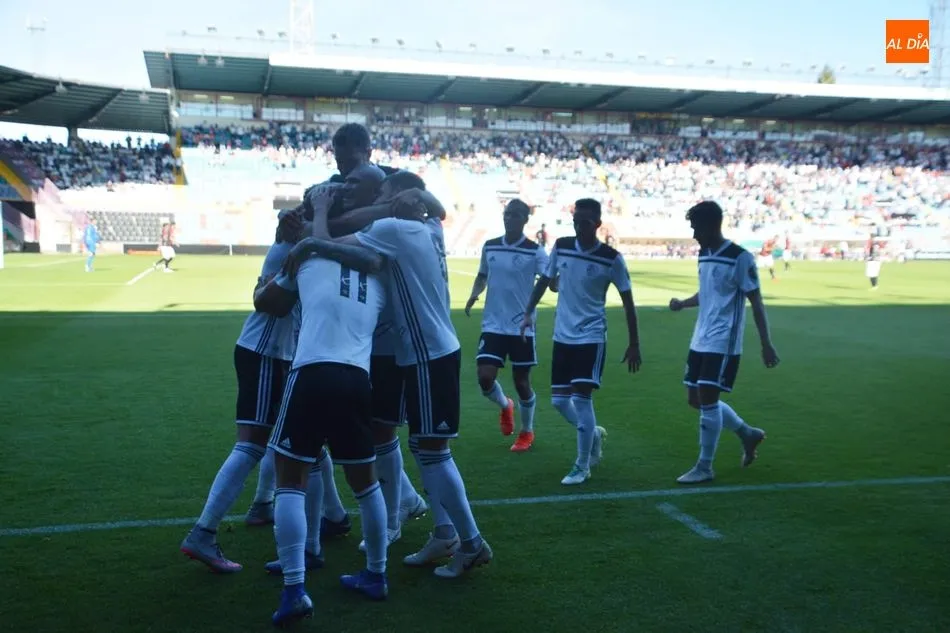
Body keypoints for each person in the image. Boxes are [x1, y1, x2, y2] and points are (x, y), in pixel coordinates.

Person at [303, 173, 492, 578]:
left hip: (427, 353)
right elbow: (437, 209)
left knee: (435, 453)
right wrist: (422, 195)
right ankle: (445, 534)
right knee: (426, 451)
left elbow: (328, 246)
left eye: (387, 192)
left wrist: (317, 217)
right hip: (430, 350)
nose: (383, 197)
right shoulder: (430, 226)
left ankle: (472, 543)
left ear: (397, 196)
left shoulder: (394, 229)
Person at [259, 188, 391, 625]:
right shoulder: (376, 273)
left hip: (312, 372)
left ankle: (295, 587)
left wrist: (280, 263)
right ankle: (376, 574)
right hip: (358, 379)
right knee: (367, 485)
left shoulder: (308, 258)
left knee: (291, 480)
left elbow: (268, 303)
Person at [178, 209, 307, 573]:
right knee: (252, 442)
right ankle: (203, 532)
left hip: (276, 353)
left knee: (286, 437)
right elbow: (271, 304)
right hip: (266, 352)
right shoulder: (292, 249)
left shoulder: (292, 245)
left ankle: (263, 504)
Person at [519, 198, 642, 485]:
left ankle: (582, 465)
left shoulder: (611, 258)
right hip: (563, 335)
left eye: (585, 222)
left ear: (598, 224)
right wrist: (528, 313)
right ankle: (593, 433)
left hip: (591, 336)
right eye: (575, 221)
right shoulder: (561, 246)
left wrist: (634, 343)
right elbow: (544, 280)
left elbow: (628, 302)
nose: (578, 226)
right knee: (560, 402)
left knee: (581, 399)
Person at [669, 201, 778, 485]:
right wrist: (683, 303)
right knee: (695, 399)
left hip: (723, 341)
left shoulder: (740, 258)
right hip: (700, 337)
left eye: (695, 227)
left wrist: (766, 343)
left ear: (710, 225)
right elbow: (707, 293)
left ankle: (704, 467)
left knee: (707, 398)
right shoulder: (704, 254)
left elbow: (756, 301)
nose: (693, 234)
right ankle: (747, 433)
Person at [464, 199, 548, 452]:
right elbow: (482, 275)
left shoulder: (535, 251)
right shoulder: (490, 246)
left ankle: (526, 432)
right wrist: (474, 293)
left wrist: (557, 277)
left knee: (522, 382)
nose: (508, 218)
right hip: (493, 324)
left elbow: (549, 281)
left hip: (521, 326)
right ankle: (505, 405)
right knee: (485, 378)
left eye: (514, 215)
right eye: (506, 214)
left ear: (524, 219)